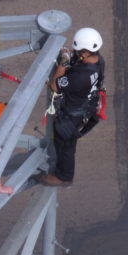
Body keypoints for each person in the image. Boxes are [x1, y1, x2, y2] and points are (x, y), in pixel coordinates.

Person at [39, 27, 106, 187]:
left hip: (72, 118)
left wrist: (63, 63)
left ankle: (63, 177)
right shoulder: (99, 61)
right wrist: (72, 59)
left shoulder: (80, 77)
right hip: (85, 110)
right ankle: (62, 172)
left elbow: (55, 86)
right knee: (67, 143)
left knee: (65, 146)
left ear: (85, 53)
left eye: (77, 51)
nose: (75, 53)